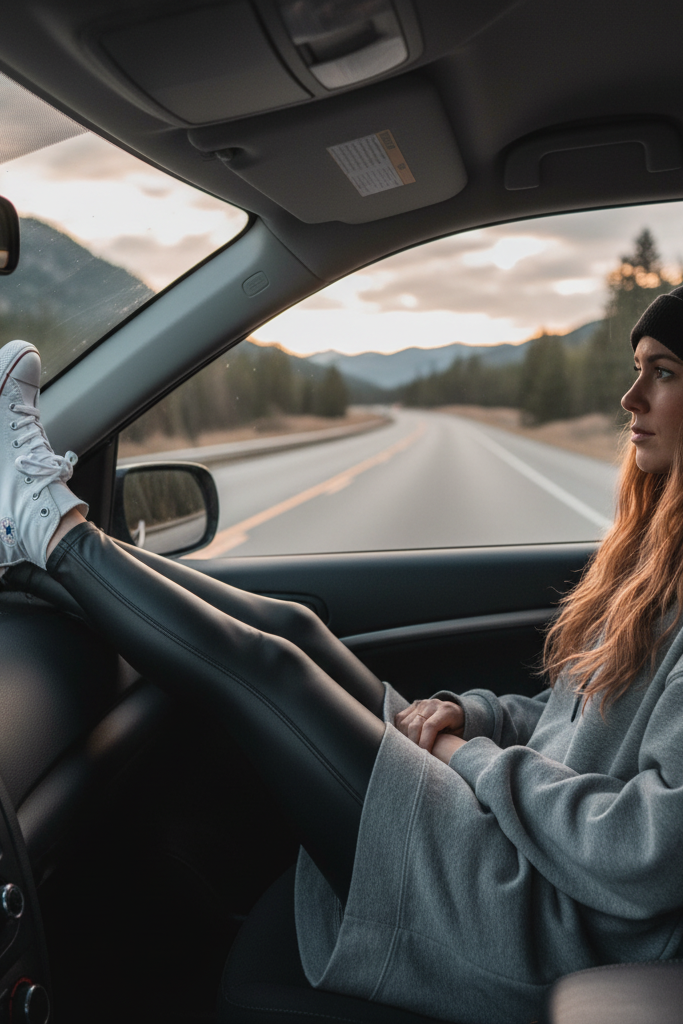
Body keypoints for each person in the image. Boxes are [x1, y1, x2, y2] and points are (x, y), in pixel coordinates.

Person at [2, 281, 683, 1024]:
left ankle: (46, 528)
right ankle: (36, 552)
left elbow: (646, 851)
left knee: (276, 674)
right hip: (530, 858)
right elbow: (571, 717)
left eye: (664, 372)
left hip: (553, 922)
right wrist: (474, 713)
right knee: (296, 630)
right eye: (637, 367)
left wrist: (468, 759)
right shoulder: (658, 561)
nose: (630, 396)